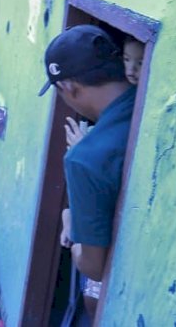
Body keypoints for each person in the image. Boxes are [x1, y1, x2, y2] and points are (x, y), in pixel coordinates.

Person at [39, 25, 135, 322]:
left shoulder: (84, 160)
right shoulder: (146, 97)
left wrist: (70, 220)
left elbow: (94, 265)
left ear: (68, 87)